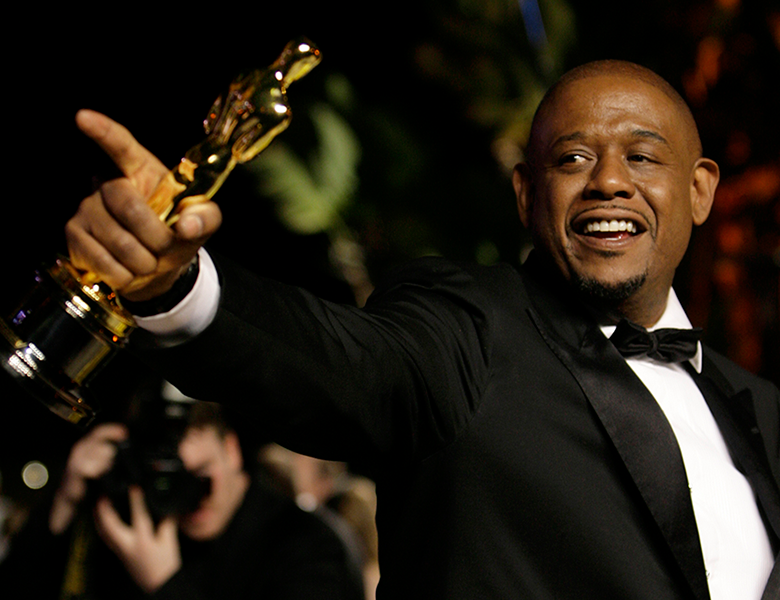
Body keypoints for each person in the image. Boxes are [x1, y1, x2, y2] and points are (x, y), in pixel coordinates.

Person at [60, 60, 779, 599]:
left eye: (643, 156)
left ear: (699, 190)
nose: (609, 182)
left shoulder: (766, 412)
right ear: (528, 193)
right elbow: (346, 366)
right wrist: (181, 290)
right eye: (573, 158)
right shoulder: (469, 325)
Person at [0, 395, 365, 599]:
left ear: (232, 450)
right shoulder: (139, 530)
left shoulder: (309, 545)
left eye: (202, 476)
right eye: (171, 477)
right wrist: (65, 501)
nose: (190, 495)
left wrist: (165, 585)